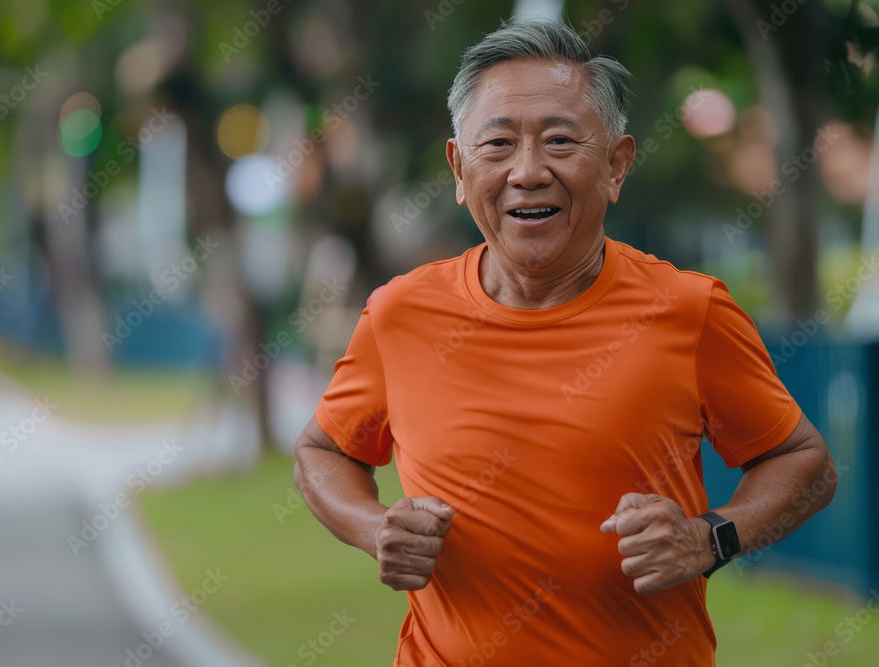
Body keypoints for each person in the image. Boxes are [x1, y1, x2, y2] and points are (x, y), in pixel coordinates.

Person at [293, 18, 837, 665]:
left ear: (617, 165)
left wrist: (708, 537)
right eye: (497, 143)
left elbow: (806, 463)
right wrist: (372, 525)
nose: (528, 172)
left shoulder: (691, 310)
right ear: (460, 169)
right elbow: (322, 449)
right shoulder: (399, 313)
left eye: (559, 140)